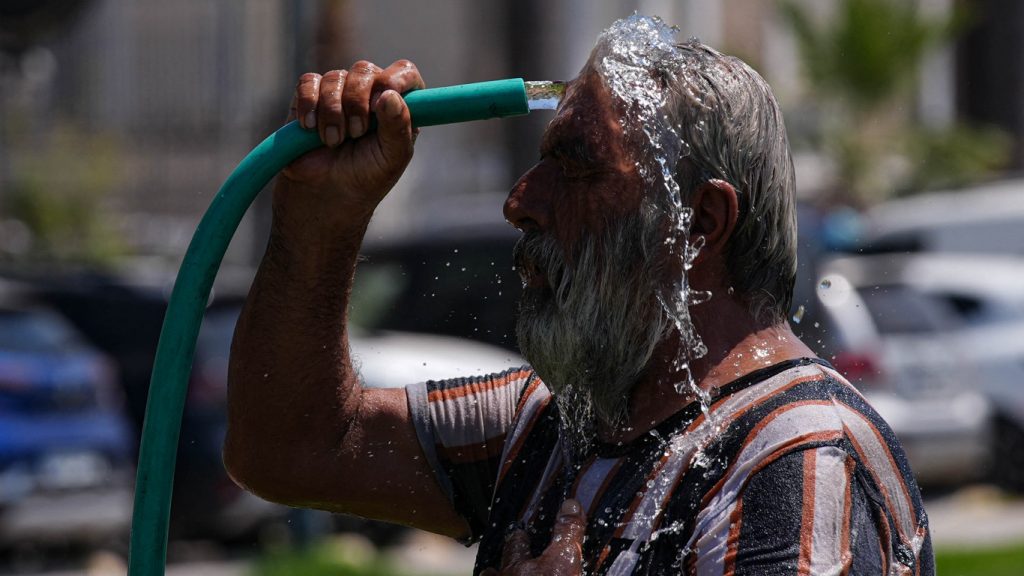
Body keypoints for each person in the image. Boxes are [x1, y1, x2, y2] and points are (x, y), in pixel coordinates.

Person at [224, 16, 934, 575]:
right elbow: (292, 445)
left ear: (700, 224)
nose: (520, 202)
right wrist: (324, 220)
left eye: (575, 165)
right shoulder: (553, 426)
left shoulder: (800, 460)